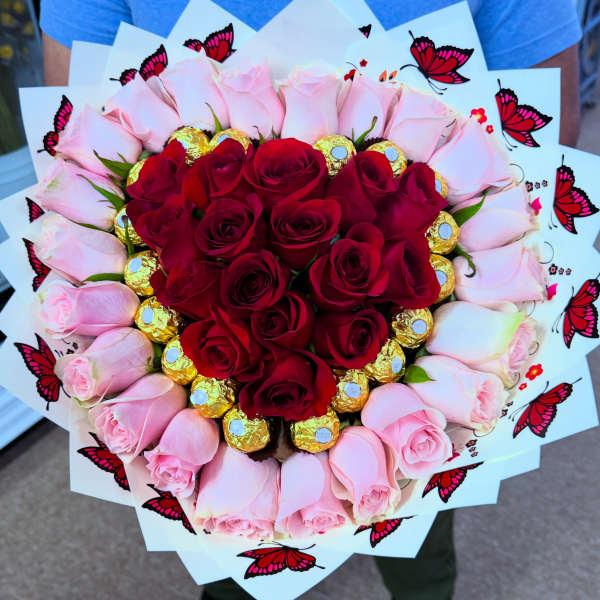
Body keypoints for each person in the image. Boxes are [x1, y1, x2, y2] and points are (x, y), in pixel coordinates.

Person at [39, 1, 582, 599]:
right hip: (186, 350)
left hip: (417, 331)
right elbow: (79, 140)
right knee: (228, 531)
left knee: (417, 480)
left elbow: (537, 156)